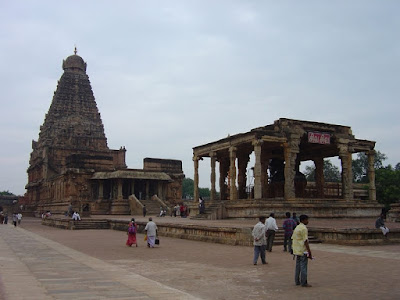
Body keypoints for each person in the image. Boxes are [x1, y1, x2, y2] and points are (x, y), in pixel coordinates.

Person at [292, 214, 313, 287]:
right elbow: (305, 241)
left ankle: (297, 281)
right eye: (307, 220)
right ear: (304, 220)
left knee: (298, 266)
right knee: (303, 267)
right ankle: (304, 282)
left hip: (297, 250)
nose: (308, 221)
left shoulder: (297, 227)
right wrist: (309, 251)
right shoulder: (303, 228)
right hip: (302, 250)